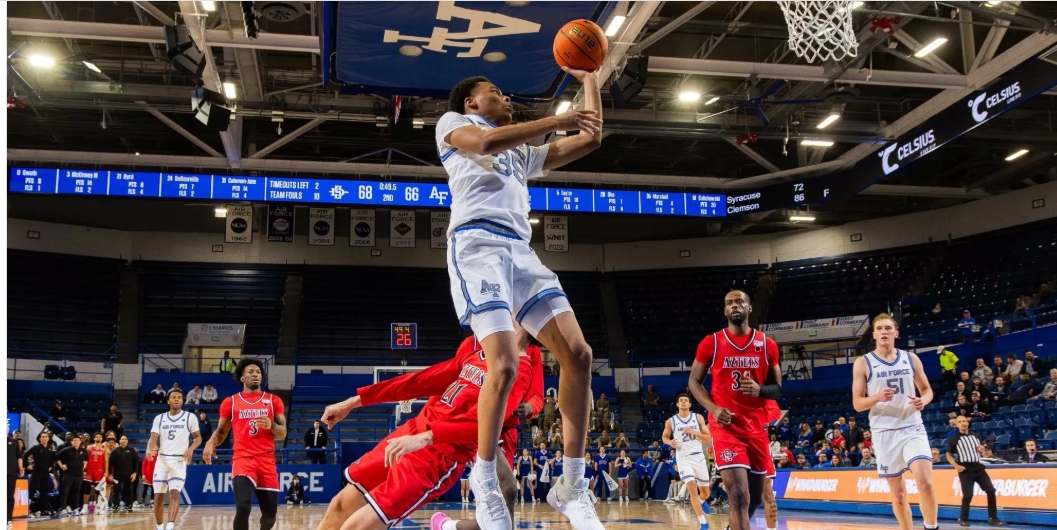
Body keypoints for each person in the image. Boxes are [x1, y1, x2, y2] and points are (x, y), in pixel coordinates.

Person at [436, 67, 604, 530]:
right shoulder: (451, 123)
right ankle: (486, 479)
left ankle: (572, 483)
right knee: (506, 365)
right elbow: (486, 144)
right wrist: (557, 119)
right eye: (494, 91)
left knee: (579, 354)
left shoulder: (522, 153)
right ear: (471, 102)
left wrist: (591, 76)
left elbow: (590, 139)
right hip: (477, 246)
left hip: (520, 251)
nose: (505, 94)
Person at [317, 326, 543, 530]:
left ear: (522, 325)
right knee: (339, 506)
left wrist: (427, 437)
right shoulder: (473, 355)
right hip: (411, 433)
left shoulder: (520, 370)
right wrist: (352, 402)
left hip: (438, 455)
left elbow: (486, 423)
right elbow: (418, 381)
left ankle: (450, 525)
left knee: (356, 527)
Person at [689, 290, 780, 530]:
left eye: (740, 301)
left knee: (755, 498)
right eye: (729, 303)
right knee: (739, 495)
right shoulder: (712, 342)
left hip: (756, 429)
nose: (734, 305)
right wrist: (714, 408)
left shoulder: (767, 345)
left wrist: (760, 390)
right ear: (725, 311)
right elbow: (694, 382)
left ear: (749, 308)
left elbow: (777, 387)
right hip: (726, 428)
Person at [852, 313, 939, 530]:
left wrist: (923, 401)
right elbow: (857, 404)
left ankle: (932, 527)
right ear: (874, 334)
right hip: (884, 432)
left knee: (925, 483)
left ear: (896, 333)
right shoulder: (863, 363)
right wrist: (877, 397)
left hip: (912, 427)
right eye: (880, 328)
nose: (884, 332)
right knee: (899, 494)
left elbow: (927, 390)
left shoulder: (911, 358)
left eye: (888, 328)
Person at [203, 359, 287, 530]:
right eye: (250, 372)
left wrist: (271, 425)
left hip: (266, 461)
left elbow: (283, 433)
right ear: (242, 378)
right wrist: (211, 442)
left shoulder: (273, 400)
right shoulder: (231, 402)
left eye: (258, 372)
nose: (255, 374)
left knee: (270, 515)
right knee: (243, 506)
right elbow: (221, 432)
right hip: (243, 459)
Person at [147, 388, 201, 530]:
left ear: (183, 401)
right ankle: (159, 527)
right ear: (168, 400)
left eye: (179, 397)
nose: (176, 399)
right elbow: (153, 437)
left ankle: (170, 526)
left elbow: (198, 438)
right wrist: (151, 448)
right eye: (173, 397)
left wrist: (190, 449)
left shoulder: (190, 417)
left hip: (179, 461)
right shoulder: (160, 418)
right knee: (158, 497)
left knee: (174, 494)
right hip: (162, 460)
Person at [946, 416, 1004, 527]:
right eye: (960, 422)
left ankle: (993, 518)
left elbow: (979, 449)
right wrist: (956, 466)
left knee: (991, 491)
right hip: (965, 470)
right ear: (956, 425)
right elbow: (948, 455)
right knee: (968, 495)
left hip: (978, 468)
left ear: (968, 422)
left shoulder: (976, 436)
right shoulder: (953, 439)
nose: (963, 423)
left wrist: (981, 449)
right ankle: (963, 518)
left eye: (964, 421)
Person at [24, 432, 56, 516]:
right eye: (43, 437)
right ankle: (28, 509)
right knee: (32, 490)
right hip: (36, 471)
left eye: (46, 437)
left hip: (45, 472)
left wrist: (50, 466)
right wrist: (27, 465)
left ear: (48, 438)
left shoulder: (50, 448)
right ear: (40, 439)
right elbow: (25, 455)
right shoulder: (36, 447)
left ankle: (42, 509)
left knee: (44, 491)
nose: (45, 438)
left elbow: (53, 458)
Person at [109, 436, 140, 513]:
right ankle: (116, 505)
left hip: (128, 474)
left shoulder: (132, 450)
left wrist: (135, 473)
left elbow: (136, 463)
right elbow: (110, 464)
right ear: (119, 441)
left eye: (125, 439)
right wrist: (110, 474)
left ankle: (129, 505)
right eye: (122, 439)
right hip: (117, 474)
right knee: (116, 490)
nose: (124, 440)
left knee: (129, 490)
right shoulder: (114, 451)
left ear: (127, 441)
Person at [84, 433, 108, 515]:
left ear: (102, 439)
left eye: (100, 436)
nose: (98, 438)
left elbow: (106, 461)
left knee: (98, 490)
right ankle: (85, 507)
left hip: (99, 471)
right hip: (90, 470)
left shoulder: (104, 448)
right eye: (97, 436)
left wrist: (106, 471)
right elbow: (85, 460)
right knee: (87, 489)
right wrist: (84, 469)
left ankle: (98, 508)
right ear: (94, 438)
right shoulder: (89, 447)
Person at [8, 431, 25, 525]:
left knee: (9, 496)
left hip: (11, 472)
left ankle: (8, 518)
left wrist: (21, 467)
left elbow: (19, 456)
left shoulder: (14, 442)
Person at [141, 445, 156, 509]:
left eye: (156, 450)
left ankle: (152, 501)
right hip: (147, 476)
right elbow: (144, 465)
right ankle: (142, 501)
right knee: (145, 489)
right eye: (153, 450)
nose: (154, 451)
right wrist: (143, 474)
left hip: (154, 476)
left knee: (154, 489)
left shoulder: (158, 457)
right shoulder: (148, 456)